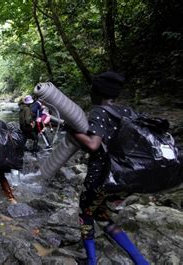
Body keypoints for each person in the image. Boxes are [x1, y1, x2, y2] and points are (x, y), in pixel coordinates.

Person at [70, 71, 149, 265]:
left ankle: (91, 261)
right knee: (101, 215)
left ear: (97, 92)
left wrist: (72, 130)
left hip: (102, 177)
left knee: (85, 214)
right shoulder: (128, 112)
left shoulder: (99, 111)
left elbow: (93, 144)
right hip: (126, 177)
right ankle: (140, 261)